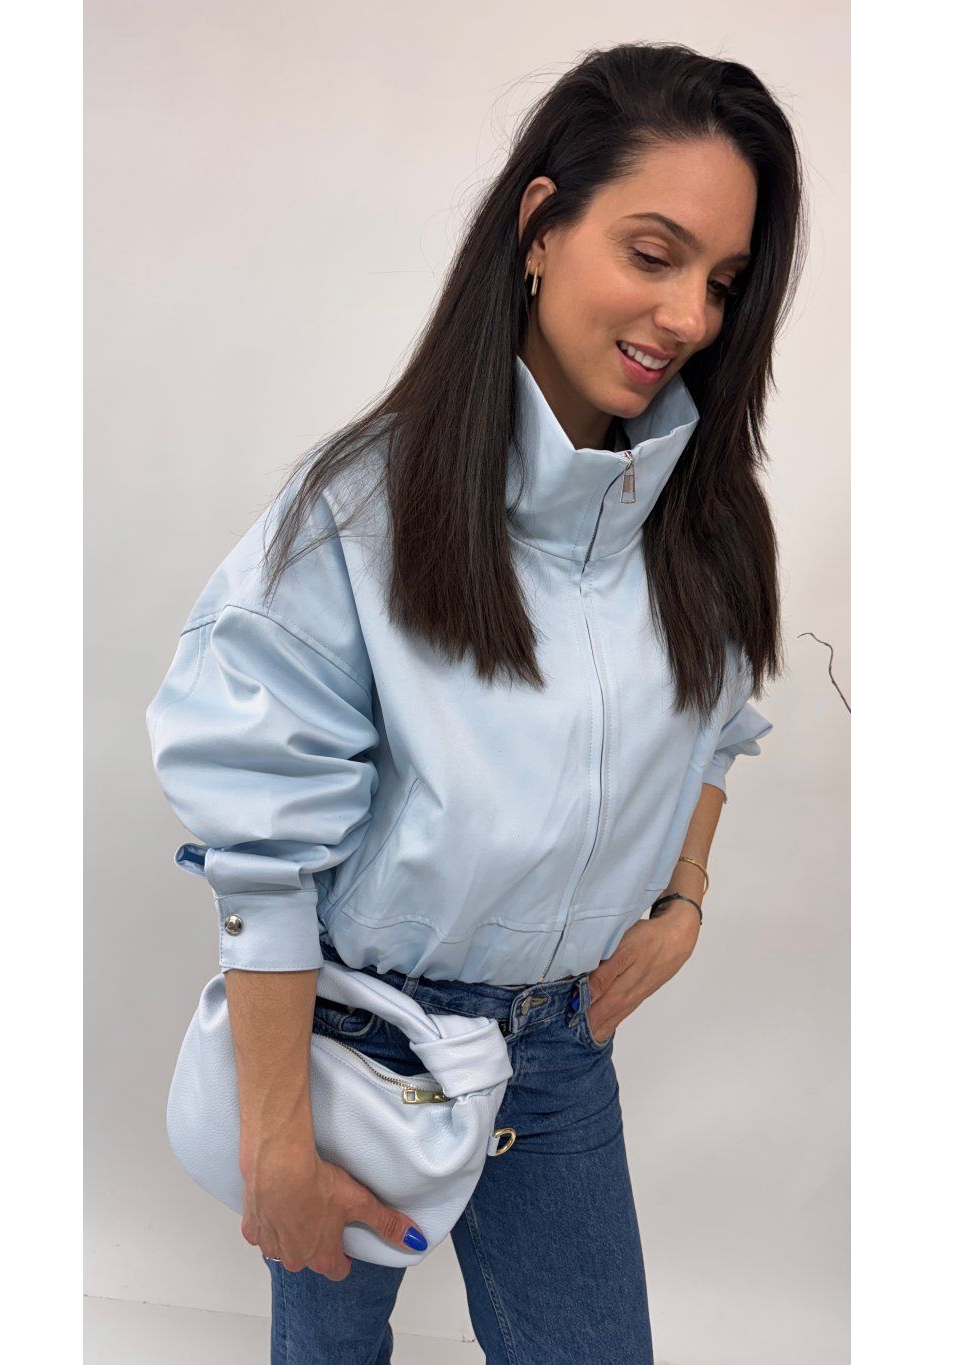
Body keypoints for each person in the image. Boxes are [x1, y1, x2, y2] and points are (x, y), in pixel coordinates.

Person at [145, 39, 802, 1365]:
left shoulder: (702, 526)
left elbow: (720, 724)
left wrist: (683, 899)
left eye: (724, 282)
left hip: (560, 1061)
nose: (688, 315)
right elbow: (261, 852)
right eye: (655, 252)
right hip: (352, 1045)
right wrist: (276, 1146)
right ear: (542, 227)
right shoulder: (358, 520)